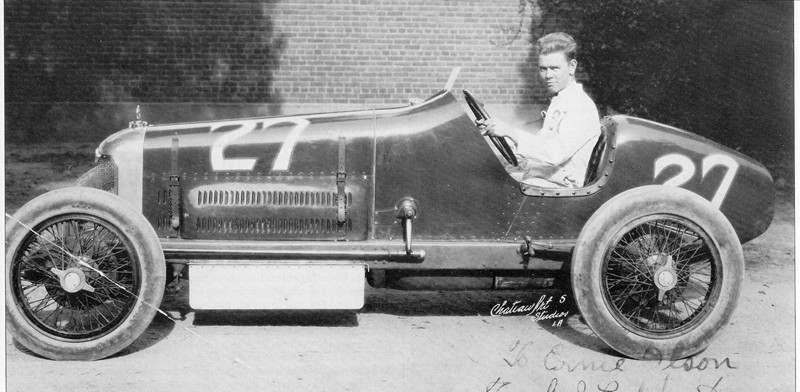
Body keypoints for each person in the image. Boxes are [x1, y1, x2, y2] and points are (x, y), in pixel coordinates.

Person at [478, 32, 601, 188]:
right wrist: (497, 132)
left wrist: (510, 131)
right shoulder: (562, 102)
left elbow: (554, 154)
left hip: (560, 191)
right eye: (543, 69)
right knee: (485, 175)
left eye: (554, 68)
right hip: (543, 180)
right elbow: (537, 151)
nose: (548, 75)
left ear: (572, 67)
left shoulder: (580, 106)